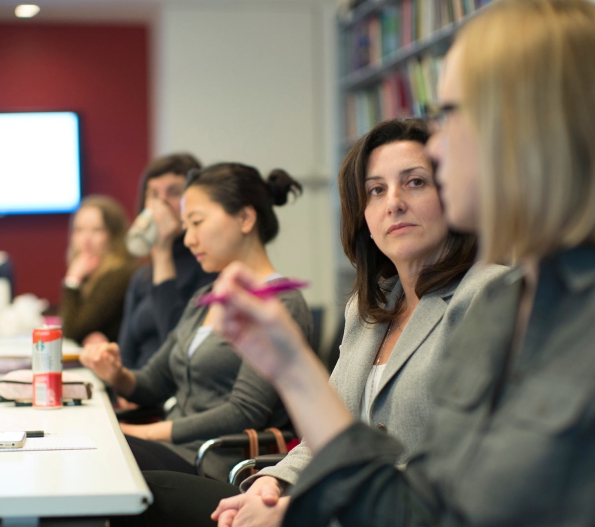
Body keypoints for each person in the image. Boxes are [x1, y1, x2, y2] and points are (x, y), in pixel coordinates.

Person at [207, 1, 595, 525]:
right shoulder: (509, 304)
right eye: (376, 190)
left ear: (540, 129)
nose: (436, 148)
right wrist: (290, 366)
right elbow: (421, 512)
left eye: (452, 115)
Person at [117, 118, 508, 527]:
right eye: (376, 190)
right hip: (330, 503)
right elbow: (324, 435)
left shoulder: (489, 296)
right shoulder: (367, 309)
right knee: (137, 494)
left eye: (415, 182)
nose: (393, 202)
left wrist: (298, 508)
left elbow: (461, 472)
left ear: (453, 192)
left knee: (142, 496)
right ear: (363, 216)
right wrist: (272, 482)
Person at [79, 163, 313, 480]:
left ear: (245, 218)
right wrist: (117, 374)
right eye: (186, 226)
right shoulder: (205, 298)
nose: (188, 239)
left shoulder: (279, 304)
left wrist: (147, 433)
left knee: (103, 451)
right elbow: (153, 382)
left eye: (197, 223)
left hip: (215, 463)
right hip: (176, 452)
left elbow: (244, 411)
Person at [117, 153, 218, 370]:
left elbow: (179, 348)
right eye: (153, 194)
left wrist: (162, 251)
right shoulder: (142, 276)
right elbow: (126, 353)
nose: (160, 203)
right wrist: (122, 382)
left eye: (173, 193)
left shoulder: (209, 268)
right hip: (137, 385)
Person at [60, 195, 138, 345]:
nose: (86, 239)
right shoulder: (89, 273)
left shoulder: (120, 274)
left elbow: (72, 331)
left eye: (96, 230)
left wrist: (72, 280)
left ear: (113, 236)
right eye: (79, 230)